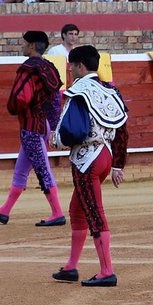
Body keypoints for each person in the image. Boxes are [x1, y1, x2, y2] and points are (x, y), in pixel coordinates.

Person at [54, 44, 128, 287]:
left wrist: (57, 140)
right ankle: (71, 267)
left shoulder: (79, 91)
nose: (70, 69)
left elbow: (71, 130)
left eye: (72, 66)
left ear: (80, 66)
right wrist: (118, 165)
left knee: (95, 212)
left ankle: (107, 270)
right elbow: (122, 129)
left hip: (87, 159)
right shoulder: (110, 90)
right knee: (77, 209)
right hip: (106, 155)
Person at [0, 29, 66, 227]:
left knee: (42, 169)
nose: (22, 46)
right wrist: (52, 126)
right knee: (21, 170)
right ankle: (4, 211)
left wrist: (13, 108)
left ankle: (57, 213)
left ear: (31, 45)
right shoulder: (49, 67)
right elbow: (56, 99)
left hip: (31, 126)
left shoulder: (28, 68)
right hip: (43, 124)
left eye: (24, 43)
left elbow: (20, 98)